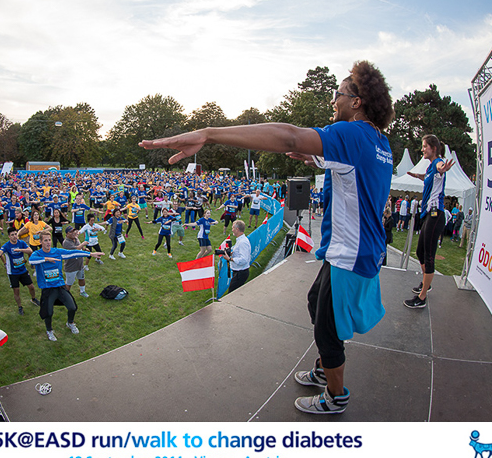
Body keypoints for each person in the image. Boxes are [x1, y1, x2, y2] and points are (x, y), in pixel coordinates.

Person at [140, 60, 395, 415]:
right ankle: (326, 367)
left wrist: (208, 134)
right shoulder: (377, 141)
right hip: (355, 250)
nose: (333, 100)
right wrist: (315, 160)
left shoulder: (352, 134)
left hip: (350, 254)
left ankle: (335, 396)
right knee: (316, 302)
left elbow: (289, 135)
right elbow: (350, 169)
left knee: (328, 329)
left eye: (338, 93)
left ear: (356, 102)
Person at [404, 134, 454, 308]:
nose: (422, 149)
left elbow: (440, 168)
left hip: (436, 215)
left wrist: (442, 168)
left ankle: (422, 297)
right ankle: (426, 283)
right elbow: (428, 177)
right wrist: (416, 175)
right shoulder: (430, 168)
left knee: (429, 255)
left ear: (433, 148)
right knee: (420, 252)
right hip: (428, 215)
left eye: (425, 146)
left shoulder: (437, 163)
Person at [29, 230, 103, 341]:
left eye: (49, 240)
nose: (48, 243)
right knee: (48, 312)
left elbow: (73, 253)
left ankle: (70, 323)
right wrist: (46, 259)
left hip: (60, 286)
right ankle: (49, 330)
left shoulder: (57, 252)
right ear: (40, 242)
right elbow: (31, 261)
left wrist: (90, 254)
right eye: (45, 240)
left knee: (72, 307)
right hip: (47, 289)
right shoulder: (37, 254)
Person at [0, 227, 39, 316]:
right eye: (12, 235)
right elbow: (0, 251)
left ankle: (33, 299)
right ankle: (20, 307)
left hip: (23, 270)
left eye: (15, 234)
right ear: (9, 236)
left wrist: (20, 250)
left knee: (31, 287)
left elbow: (30, 250)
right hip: (13, 273)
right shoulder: (7, 246)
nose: (14, 236)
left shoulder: (21, 243)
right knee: (16, 290)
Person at [61, 226, 91, 297]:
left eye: (74, 231)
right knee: (69, 283)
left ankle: (82, 291)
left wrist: (85, 249)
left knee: (81, 278)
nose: (73, 233)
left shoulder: (76, 239)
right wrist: (83, 244)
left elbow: (79, 246)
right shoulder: (66, 242)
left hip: (79, 264)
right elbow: (76, 249)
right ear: (67, 234)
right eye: (71, 232)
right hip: (71, 267)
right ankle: (65, 296)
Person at [223, 219, 251, 293]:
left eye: (233, 228)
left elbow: (244, 259)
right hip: (239, 272)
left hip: (240, 273)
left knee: (231, 294)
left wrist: (230, 259)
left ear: (237, 229)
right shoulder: (240, 240)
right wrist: (232, 253)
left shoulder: (242, 242)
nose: (232, 230)